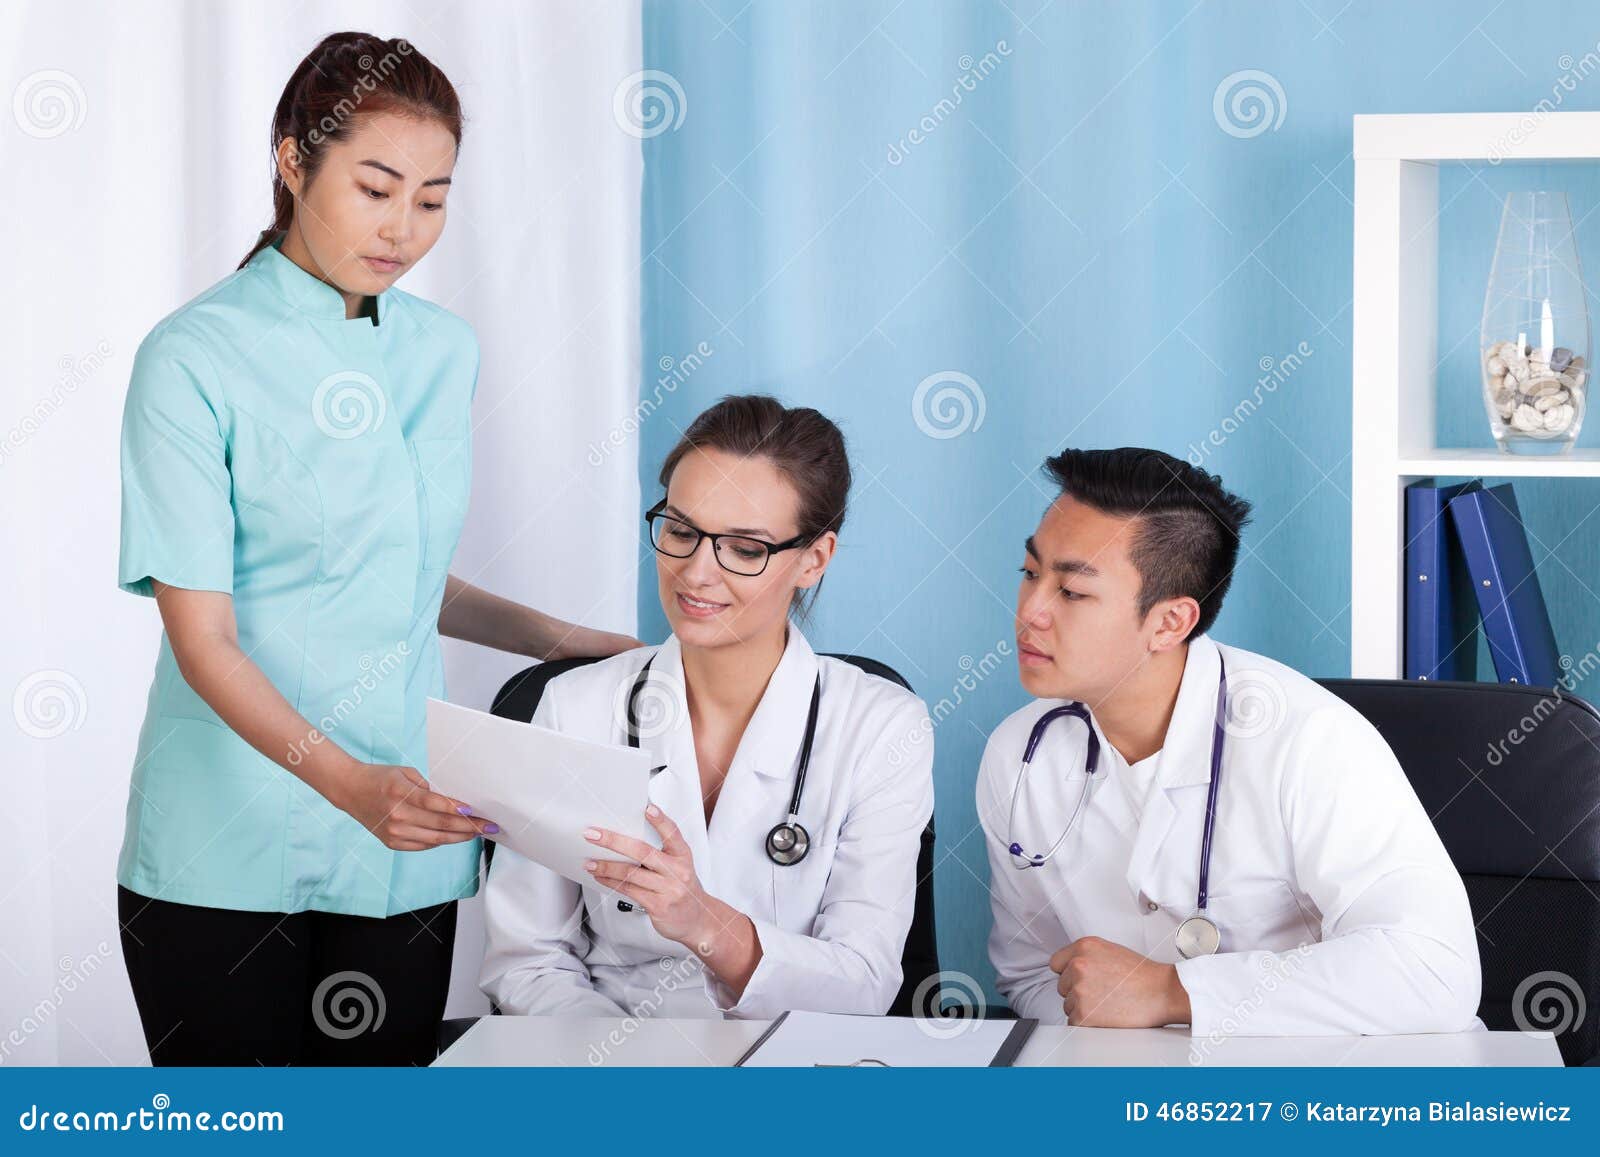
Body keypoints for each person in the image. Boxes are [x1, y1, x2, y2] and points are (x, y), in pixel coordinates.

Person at [115, 31, 636, 1066]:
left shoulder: (443, 353)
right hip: (223, 841)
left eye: (433, 199)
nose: (404, 228)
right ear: (293, 159)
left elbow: (394, 574)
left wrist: (565, 635)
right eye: (377, 187)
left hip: (401, 839)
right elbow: (203, 637)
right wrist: (347, 783)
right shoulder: (192, 358)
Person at [977, 447, 1481, 1035]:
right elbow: (1031, 976)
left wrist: (1172, 992)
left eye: (1072, 592)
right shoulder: (1019, 753)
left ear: (1170, 622)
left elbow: (1434, 970)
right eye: (1031, 574)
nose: (1029, 611)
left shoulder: (1310, 739)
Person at [481, 395, 934, 1020]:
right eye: (681, 530)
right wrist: (622, 1069)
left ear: (814, 559)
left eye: (745, 549)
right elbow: (528, 961)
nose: (695, 573)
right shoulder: (575, 705)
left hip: (793, 1066)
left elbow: (864, 980)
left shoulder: (880, 726)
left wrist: (706, 924)